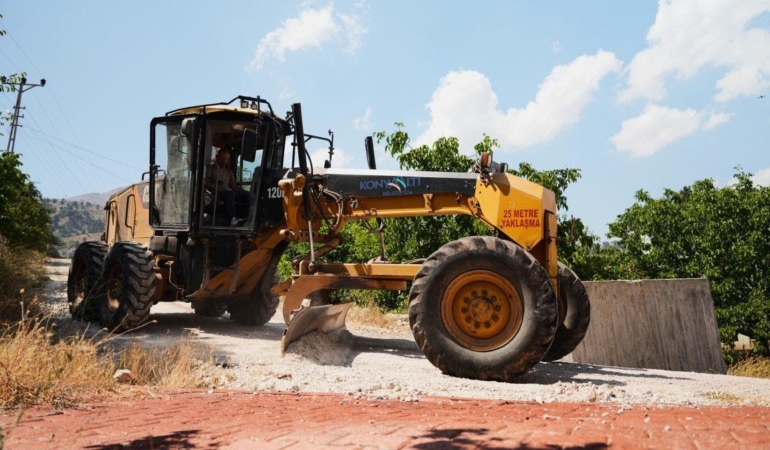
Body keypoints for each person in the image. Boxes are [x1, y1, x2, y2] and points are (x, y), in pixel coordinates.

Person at [205, 147, 251, 225]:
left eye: (226, 159)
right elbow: (205, 181)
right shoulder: (211, 168)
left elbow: (235, 187)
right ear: (217, 157)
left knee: (245, 197)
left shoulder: (228, 171)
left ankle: (244, 218)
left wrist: (248, 193)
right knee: (230, 193)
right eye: (222, 158)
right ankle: (232, 218)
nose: (224, 161)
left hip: (227, 193)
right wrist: (214, 185)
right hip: (215, 193)